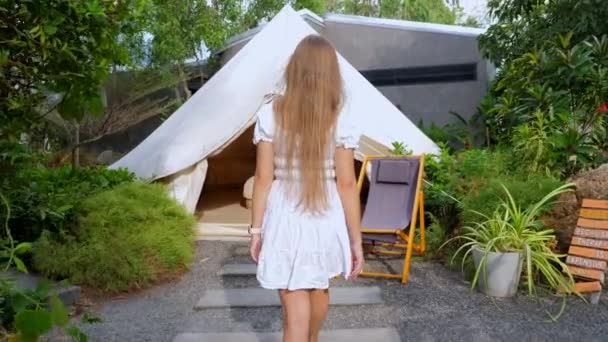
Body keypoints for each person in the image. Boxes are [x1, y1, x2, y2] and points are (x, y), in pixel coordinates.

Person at [249, 34, 365, 342]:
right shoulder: (342, 116)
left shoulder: (270, 112)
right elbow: (347, 183)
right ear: (331, 72)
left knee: (293, 314)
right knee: (319, 286)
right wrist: (356, 242)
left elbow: (263, 179)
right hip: (326, 215)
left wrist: (256, 231)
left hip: (285, 214)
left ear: (295, 69)